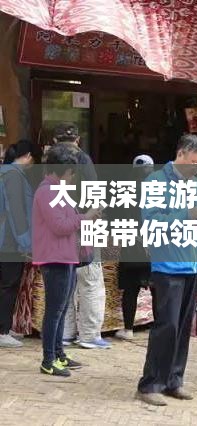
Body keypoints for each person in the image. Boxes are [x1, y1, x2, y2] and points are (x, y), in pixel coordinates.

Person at [137, 134, 197, 406]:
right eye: (194, 162)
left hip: (194, 263)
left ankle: (174, 380)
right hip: (168, 264)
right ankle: (150, 384)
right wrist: (185, 215)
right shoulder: (155, 182)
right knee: (166, 325)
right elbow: (151, 221)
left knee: (183, 326)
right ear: (180, 154)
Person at [32, 144, 100, 376]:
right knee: (55, 310)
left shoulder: (55, 190)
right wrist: (86, 217)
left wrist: (84, 218)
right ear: (63, 171)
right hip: (55, 258)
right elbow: (60, 226)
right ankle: (48, 359)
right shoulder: (47, 192)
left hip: (65, 256)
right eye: (71, 173)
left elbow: (67, 221)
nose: (73, 177)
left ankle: (59, 354)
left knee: (60, 310)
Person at [54, 123, 111, 349]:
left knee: (64, 280)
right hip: (85, 224)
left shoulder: (49, 160)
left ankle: (65, 333)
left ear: (55, 140)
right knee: (90, 280)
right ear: (78, 140)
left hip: (58, 226)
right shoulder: (83, 159)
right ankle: (89, 334)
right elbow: (94, 192)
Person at [0, 140, 36, 348]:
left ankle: (5, 326)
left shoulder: (5, 172)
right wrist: (26, 242)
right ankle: (3, 331)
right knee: (9, 284)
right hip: (9, 240)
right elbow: (16, 213)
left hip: (6, 237)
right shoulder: (14, 176)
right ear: (28, 156)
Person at [115, 154, 155, 341]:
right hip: (153, 246)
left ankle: (128, 330)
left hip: (132, 245)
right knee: (157, 289)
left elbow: (116, 217)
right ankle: (158, 327)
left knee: (130, 290)